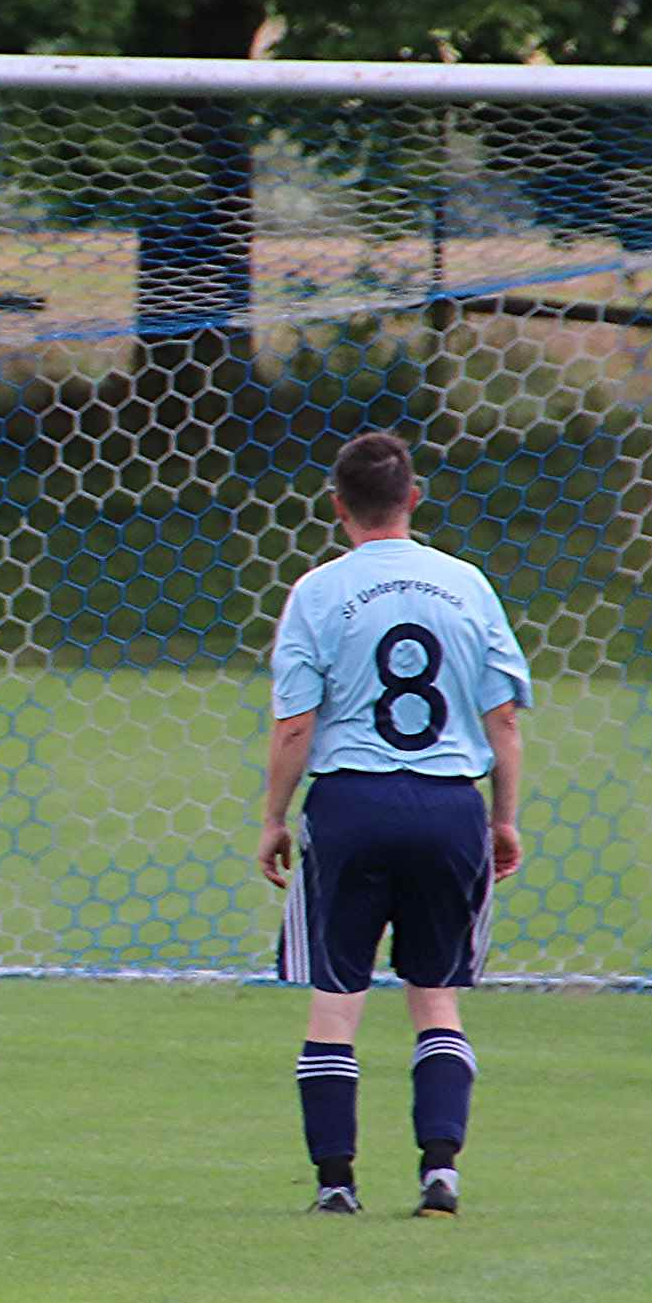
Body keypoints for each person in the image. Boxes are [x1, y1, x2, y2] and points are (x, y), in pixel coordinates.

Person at [257, 431, 532, 1218]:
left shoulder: (317, 592)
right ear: (413, 498)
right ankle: (440, 1171)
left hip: (350, 807)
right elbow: (504, 720)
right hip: (449, 807)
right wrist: (503, 818)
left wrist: (274, 818)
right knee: (436, 997)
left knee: (336, 999)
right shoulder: (468, 585)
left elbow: (295, 727)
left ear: (337, 506)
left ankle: (336, 1182)